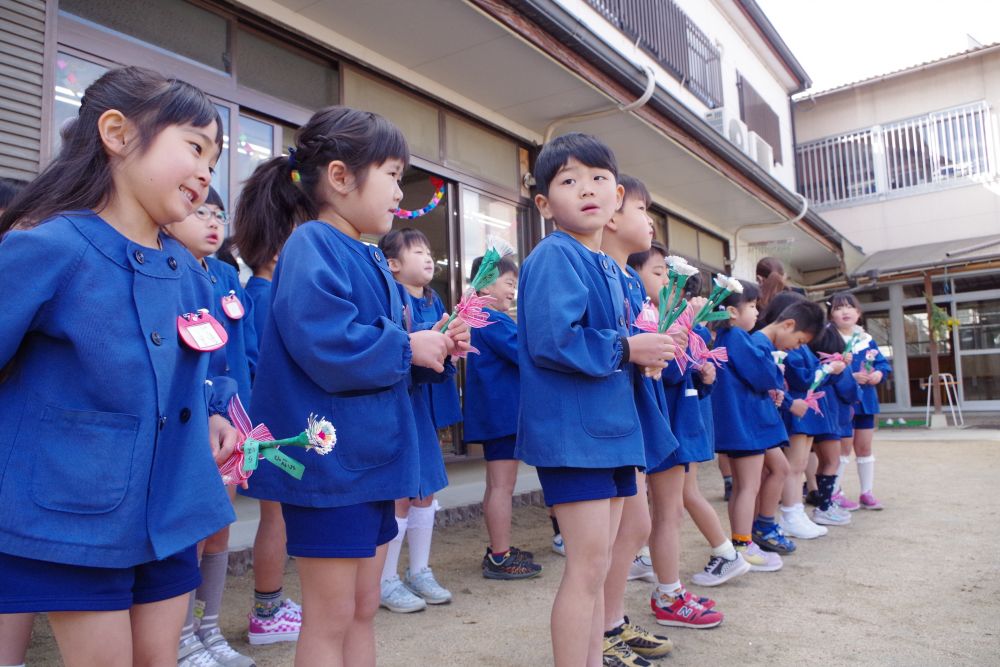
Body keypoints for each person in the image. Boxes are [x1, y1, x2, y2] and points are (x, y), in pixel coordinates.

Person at [0, 66, 238, 666]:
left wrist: (211, 415)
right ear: (117, 133)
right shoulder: (48, 246)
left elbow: (196, 364)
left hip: (174, 506)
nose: (207, 171)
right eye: (195, 146)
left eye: (214, 156)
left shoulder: (188, 271)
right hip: (75, 513)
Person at [232, 106, 467, 665]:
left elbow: (371, 342)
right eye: (390, 173)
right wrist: (409, 348)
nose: (398, 191)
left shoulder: (361, 252)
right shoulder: (313, 244)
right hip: (331, 468)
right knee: (332, 614)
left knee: (362, 607)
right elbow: (328, 342)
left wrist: (426, 345)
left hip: (363, 464)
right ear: (340, 177)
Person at [517, 133, 675, 666]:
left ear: (616, 195)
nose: (587, 189)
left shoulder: (606, 265)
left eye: (599, 178)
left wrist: (641, 353)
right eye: (569, 181)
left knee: (599, 562)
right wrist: (628, 347)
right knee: (586, 569)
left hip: (606, 433)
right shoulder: (554, 255)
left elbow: (609, 346)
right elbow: (553, 339)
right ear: (544, 203)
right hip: (574, 436)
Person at [166, 188, 257, 667]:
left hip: (230, 415)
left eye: (219, 213)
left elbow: (240, 352)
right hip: (186, 421)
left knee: (221, 521)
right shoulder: (166, 266)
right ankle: (179, 638)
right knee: (191, 529)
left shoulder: (224, 276)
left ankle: (208, 629)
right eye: (200, 210)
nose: (212, 221)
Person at [601, 177, 680, 664]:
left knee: (635, 527)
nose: (649, 220)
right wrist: (634, 351)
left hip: (631, 417)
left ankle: (612, 620)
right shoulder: (596, 271)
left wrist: (653, 356)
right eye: (642, 208)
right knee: (621, 531)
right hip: (609, 424)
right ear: (612, 213)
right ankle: (604, 629)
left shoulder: (627, 280)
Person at [378, 227, 466, 612]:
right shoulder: (387, 295)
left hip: (424, 406)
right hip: (399, 407)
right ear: (393, 264)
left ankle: (419, 571)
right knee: (400, 491)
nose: (429, 257)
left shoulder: (434, 299)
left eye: (429, 250)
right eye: (417, 251)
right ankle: (385, 579)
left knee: (425, 489)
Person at [230, 178, 303, 645]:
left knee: (274, 517)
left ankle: (269, 604)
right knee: (274, 517)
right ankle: (267, 608)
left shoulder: (255, 294)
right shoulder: (264, 297)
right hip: (266, 432)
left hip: (263, 429)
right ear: (279, 252)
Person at [711, 281, 803, 573]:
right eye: (751, 306)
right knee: (747, 486)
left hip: (742, 423)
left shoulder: (726, 337)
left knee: (746, 485)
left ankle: (744, 540)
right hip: (746, 424)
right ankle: (742, 543)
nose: (756, 312)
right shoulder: (737, 337)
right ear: (732, 312)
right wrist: (775, 371)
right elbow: (762, 374)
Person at [461, 254, 542, 580]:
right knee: (501, 486)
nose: (513, 292)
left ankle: (500, 548)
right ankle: (499, 555)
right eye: (509, 283)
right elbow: (525, 352)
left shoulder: (483, 316)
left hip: (498, 414)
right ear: (486, 283)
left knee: (498, 485)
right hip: (502, 414)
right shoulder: (488, 317)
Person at [759, 292, 831, 541]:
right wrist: (825, 369)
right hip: (793, 406)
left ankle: (796, 511)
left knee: (799, 465)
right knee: (793, 465)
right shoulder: (780, 345)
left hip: (803, 407)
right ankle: (791, 512)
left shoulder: (800, 345)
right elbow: (801, 377)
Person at [830, 292, 891, 510]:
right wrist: (850, 377)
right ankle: (834, 492)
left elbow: (883, 364)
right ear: (831, 314)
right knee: (842, 449)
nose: (845, 311)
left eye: (849, 307)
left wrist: (878, 375)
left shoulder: (867, 339)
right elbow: (825, 369)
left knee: (864, 448)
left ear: (858, 313)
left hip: (865, 400)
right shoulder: (830, 339)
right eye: (838, 307)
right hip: (842, 402)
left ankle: (867, 492)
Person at [808, 325, 859, 526]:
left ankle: (824, 504)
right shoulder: (836, 366)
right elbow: (850, 391)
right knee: (832, 462)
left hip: (814, 417)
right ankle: (825, 507)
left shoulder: (815, 364)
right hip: (830, 419)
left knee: (823, 461)